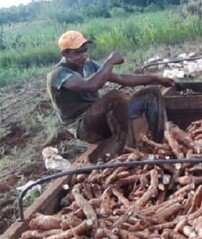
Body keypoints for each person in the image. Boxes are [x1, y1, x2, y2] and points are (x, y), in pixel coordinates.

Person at [46, 30, 174, 157]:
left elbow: (121, 78)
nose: (84, 55)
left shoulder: (88, 64)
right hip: (85, 127)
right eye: (78, 52)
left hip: (103, 119)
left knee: (152, 93)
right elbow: (90, 85)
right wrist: (110, 61)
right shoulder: (58, 74)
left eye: (85, 50)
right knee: (114, 97)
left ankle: (160, 143)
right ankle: (127, 151)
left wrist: (155, 78)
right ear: (65, 53)